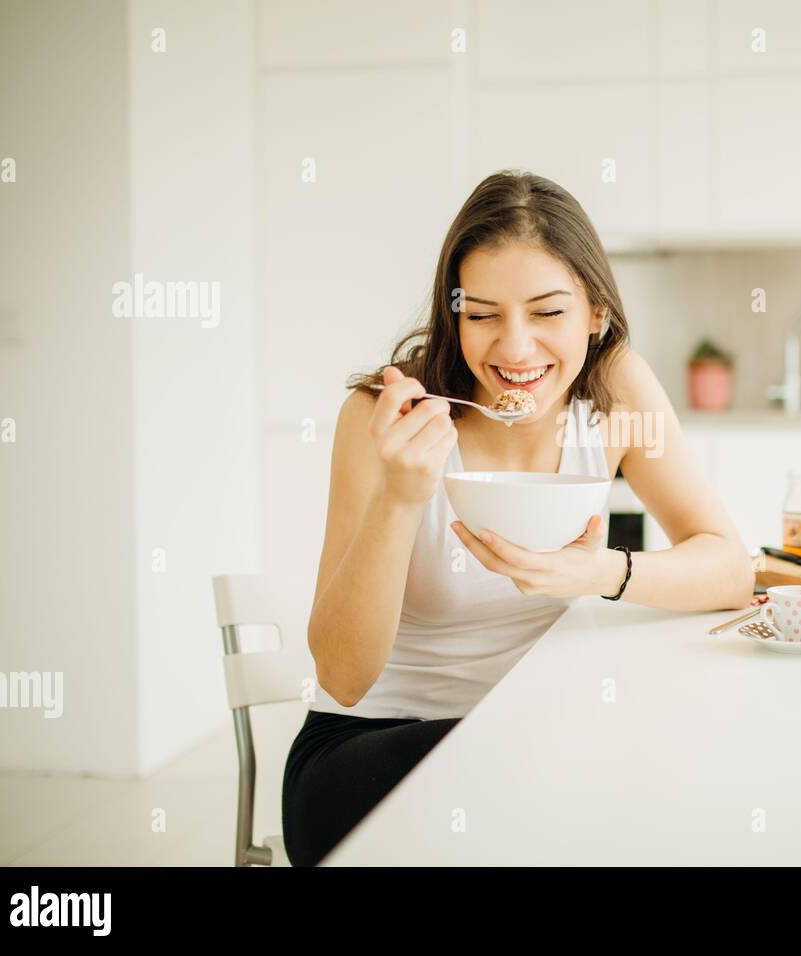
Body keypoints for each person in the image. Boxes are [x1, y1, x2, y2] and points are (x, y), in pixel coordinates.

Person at [282, 170, 753, 866]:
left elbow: (730, 567)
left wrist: (602, 572)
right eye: (482, 315)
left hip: (536, 737)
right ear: (453, 315)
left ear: (596, 312)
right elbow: (344, 677)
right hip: (366, 755)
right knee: (572, 776)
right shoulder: (387, 418)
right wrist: (402, 496)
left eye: (547, 312)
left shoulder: (615, 388)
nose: (515, 348)